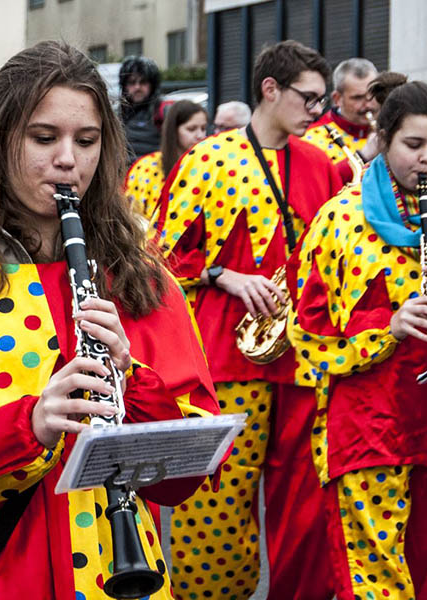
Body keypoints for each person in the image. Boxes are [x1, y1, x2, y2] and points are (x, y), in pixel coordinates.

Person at [0, 40, 219, 600]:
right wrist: (29, 428)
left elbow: (187, 477)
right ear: (1, 140)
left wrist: (133, 381)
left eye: (87, 140)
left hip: (116, 577)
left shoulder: (143, 281)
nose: (68, 160)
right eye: (44, 138)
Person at [155, 40, 342, 600]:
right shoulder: (208, 159)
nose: (318, 111)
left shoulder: (322, 165)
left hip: (305, 360)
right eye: (308, 98)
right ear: (270, 89)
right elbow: (162, 253)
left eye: (322, 100)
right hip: (228, 358)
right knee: (217, 501)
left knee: (303, 501)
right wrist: (225, 276)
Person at [288, 77, 427, 600]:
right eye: (413, 145)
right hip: (368, 424)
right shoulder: (340, 218)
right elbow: (306, 337)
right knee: (373, 578)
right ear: (382, 138)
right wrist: (388, 329)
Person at [124, 100, 207, 222]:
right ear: (173, 130)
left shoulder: (208, 166)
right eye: (191, 129)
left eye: (203, 128)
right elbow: (133, 216)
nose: (200, 135)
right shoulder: (146, 167)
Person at [302, 58, 380, 183]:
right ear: (337, 99)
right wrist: (363, 156)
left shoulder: (388, 130)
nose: (368, 105)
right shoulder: (310, 139)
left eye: (373, 95)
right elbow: (315, 184)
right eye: (358, 98)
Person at [119, 55, 163, 162]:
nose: (137, 87)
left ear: (152, 85)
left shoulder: (163, 111)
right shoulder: (116, 113)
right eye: (132, 82)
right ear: (124, 85)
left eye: (143, 82)